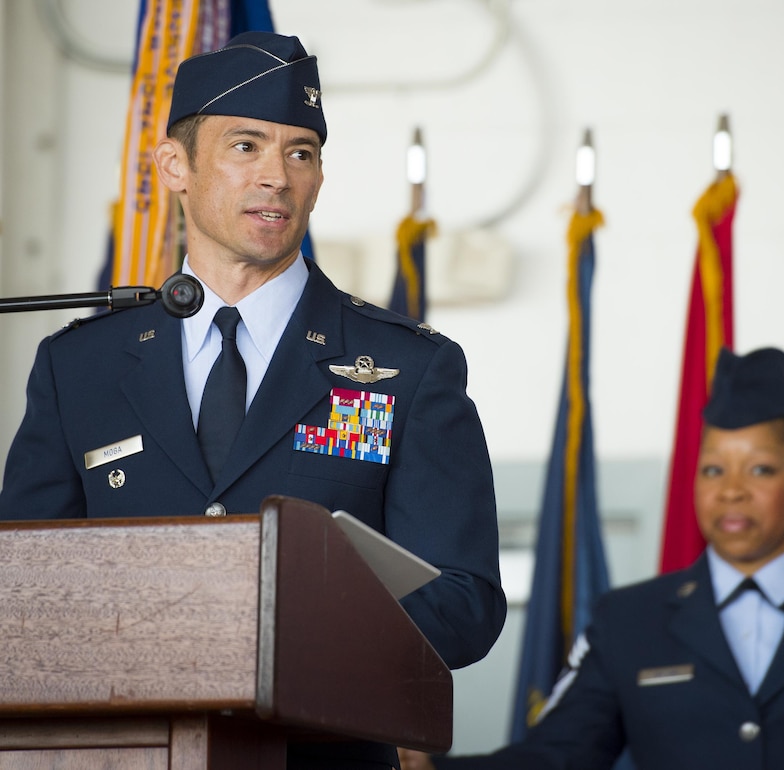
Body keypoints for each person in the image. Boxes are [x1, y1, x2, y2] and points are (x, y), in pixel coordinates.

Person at [0, 31, 506, 769]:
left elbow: (464, 605)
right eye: (245, 146)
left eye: (300, 153)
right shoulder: (79, 366)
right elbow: (21, 592)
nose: (276, 176)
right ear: (175, 166)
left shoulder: (408, 366)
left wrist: (271, 635)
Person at [399, 347, 784, 769]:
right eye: (713, 469)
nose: (731, 489)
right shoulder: (628, 624)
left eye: (760, 469)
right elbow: (557, 756)